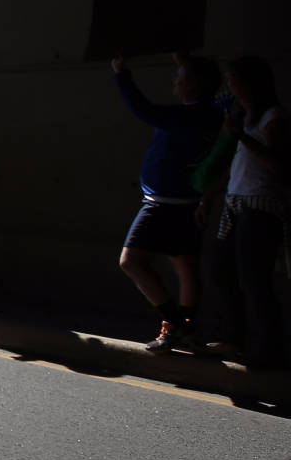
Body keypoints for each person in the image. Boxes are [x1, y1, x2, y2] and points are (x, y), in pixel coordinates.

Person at [108, 55, 223, 351]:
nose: (175, 82)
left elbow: (143, 109)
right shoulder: (214, 113)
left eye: (181, 77)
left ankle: (175, 325)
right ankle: (188, 327)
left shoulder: (187, 116)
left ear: (195, 84)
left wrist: (122, 74)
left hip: (162, 204)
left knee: (131, 262)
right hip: (188, 203)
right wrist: (188, 62)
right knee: (185, 267)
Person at [208, 57, 287, 368]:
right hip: (237, 204)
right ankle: (234, 337)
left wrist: (240, 134)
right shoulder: (242, 114)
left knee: (254, 279)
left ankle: (269, 347)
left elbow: (280, 162)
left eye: (234, 79)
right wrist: (209, 197)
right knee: (221, 269)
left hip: (261, 206)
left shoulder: (273, 117)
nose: (230, 85)